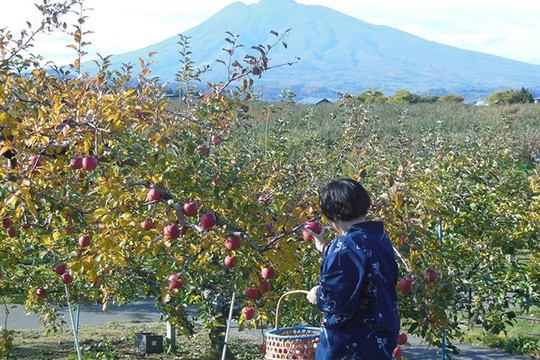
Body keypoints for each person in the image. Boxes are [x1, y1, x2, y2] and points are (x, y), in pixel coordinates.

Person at [306, 178, 400, 360]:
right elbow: (363, 264)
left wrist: (318, 295)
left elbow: (337, 301)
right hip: (379, 340)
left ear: (334, 216)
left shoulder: (344, 246)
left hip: (350, 346)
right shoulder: (380, 238)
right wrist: (323, 247)